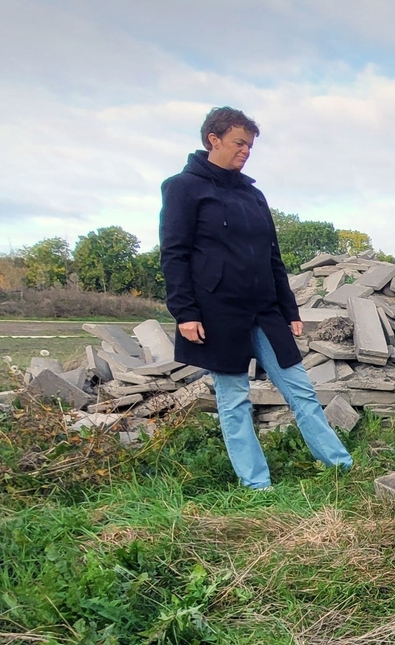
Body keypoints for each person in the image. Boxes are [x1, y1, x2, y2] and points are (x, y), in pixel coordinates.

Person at [159, 106, 352, 490]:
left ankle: (339, 465)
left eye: (249, 144)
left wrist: (288, 308)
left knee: (300, 389)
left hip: (264, 311)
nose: (246, 150)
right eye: (239, 143)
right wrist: (185, 312)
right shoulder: (184, 187)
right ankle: (256, 483)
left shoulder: (253, 194)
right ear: (213, 140)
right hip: (217, 313)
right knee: (234, 401)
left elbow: (272, 256)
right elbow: (174, 253)